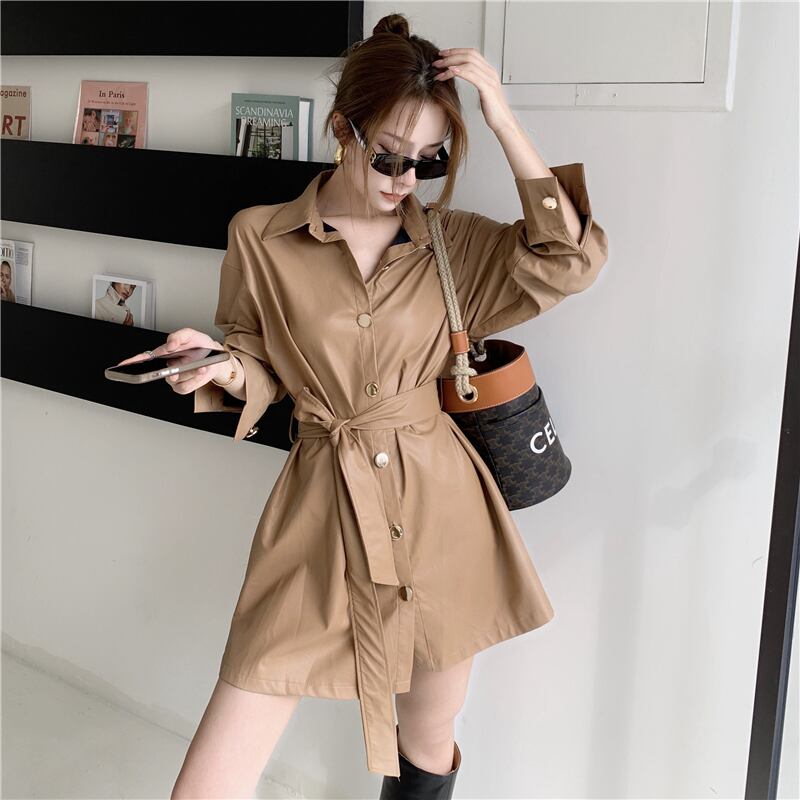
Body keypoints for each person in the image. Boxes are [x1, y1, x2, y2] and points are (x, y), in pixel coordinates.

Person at [116, 13, 608, 799]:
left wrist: (504, 120)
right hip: (320, 517)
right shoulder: (261, 237)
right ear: (343, 128)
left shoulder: (455, 245)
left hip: (443, 518)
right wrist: (216, 366)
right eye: (388, 154)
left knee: (428, 742)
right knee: (212, 774)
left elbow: (570, 260)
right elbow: (258, 360)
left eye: (429, 160)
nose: (405, 178)